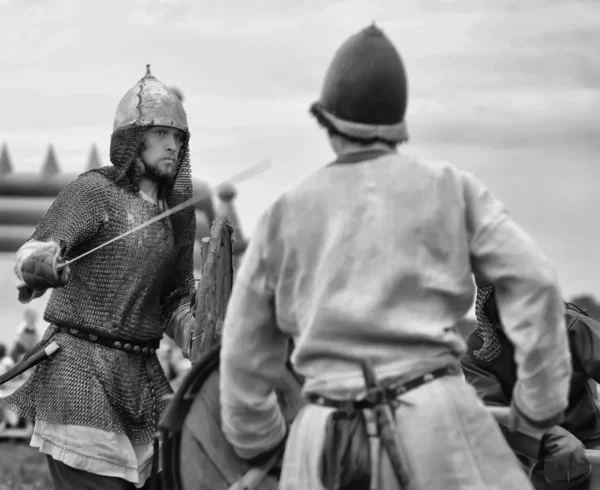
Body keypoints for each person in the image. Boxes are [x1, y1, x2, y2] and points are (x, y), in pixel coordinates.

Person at [218, 24, 573, 490]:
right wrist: (538, 404)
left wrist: (260, 437)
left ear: (327, 123)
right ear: (397, 124)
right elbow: (535, 281)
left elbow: (243, 351)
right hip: (433, 424)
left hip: (322, 439)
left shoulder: (284, 212)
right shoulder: (451, 189)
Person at [0, 65, 197, 490]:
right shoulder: (94, 191)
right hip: (80, 371)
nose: (173, 145)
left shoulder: (177, 215)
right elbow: (35, 249)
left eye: (179, 136)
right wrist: (41, 263)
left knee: (180, 474)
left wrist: (202, 334)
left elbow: (175, 299)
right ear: (133, 138)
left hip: (143, 378)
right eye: (161, 133)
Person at [461, 284, 600, 489]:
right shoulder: (478, 352)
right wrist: (546, 438)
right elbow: (490, 412)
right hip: (527, 459)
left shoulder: (571, 325)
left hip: (591, 441)